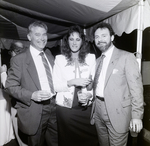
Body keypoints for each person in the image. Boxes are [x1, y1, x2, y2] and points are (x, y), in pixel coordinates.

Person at [90, 22, 144, 146]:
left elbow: (136, 89)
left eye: (104, 36)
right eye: (97, 37)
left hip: (118, 112)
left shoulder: (127, 57)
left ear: (112, 37)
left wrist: (137, 116)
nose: (100, 40)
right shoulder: (98, 61)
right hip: (98, 110)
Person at [5, 21, 58, 146]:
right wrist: (31, 95)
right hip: (34, 110)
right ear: (29, 37)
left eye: (44, 34)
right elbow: (10, 86)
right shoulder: (19, 59)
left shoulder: (49, 55)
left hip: (54, 108)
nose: (42, 38)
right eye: (37, 34)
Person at [53, 25, 99, 146]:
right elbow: (54, 86)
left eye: (78, 39)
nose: (74, 42)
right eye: (71, 39)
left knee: (91, 140)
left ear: (82, 41)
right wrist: (71, 82)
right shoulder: (59, 59)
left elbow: (94, 84)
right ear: (67, 41)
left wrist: (88, 96)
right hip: (66, 110)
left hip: (86, 108)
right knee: (68, 141)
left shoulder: (91, 58)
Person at [0, 41, 28, 146]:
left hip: (17, 101)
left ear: (13, 52)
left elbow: (9, 86)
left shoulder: (15, 60)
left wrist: (3, 73)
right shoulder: (27, 60)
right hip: (27, 99)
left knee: (18, 128)